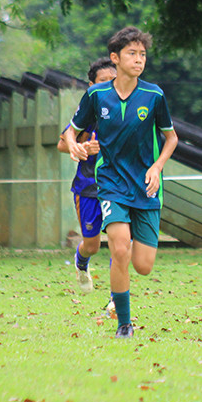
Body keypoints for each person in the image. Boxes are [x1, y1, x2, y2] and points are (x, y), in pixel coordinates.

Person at [63, 27, 178, 338]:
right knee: (119, 249)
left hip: (146, 187)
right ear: (115, 58)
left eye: (142, 54)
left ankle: (122, 308)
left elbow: (171, 138)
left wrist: (157, 166)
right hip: (111, 183)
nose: (139, 60)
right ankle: (124, 324)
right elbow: (71, 131)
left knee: (143, 265)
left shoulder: (154, 95)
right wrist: (74, 144)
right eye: (132, 54)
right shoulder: (96, 95)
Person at [57, 57, 117, 299]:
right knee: (92, 245)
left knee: (120, 244)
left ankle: (117, 299)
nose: (109, 86)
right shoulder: (87, 113)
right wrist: (81, 147)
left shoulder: (126, 110)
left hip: (117, 188)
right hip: (88, 188)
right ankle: (81, 263)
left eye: (113, 81)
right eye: (103, 82)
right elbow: (62, 144)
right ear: (91, 85)